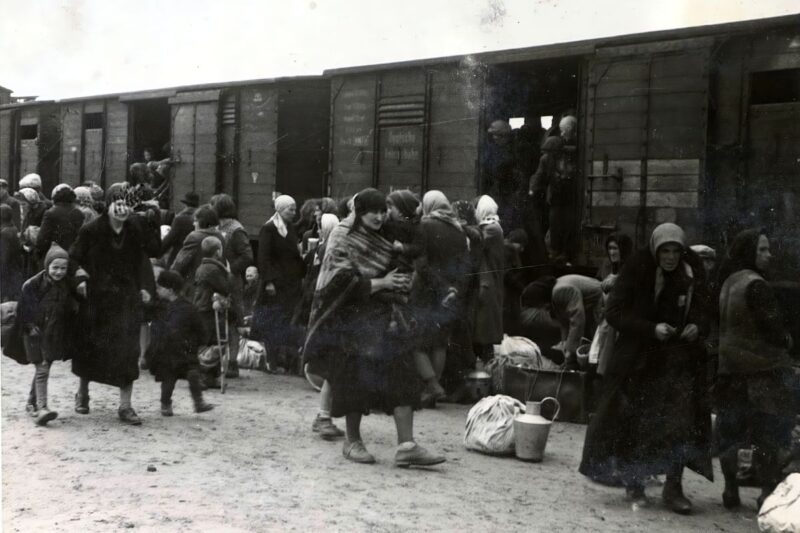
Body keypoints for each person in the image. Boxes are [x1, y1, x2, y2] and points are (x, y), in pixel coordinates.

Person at [304, 188, 445, 466]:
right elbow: (338, 281)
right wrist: (383, 283)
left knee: (403, 376)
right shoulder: (342, 236)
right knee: (355, 381)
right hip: (353, 322)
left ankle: (407, 445)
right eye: (373, 212)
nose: (380, 217)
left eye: (383, 211)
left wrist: (404, 280)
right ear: (359, 212)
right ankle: (352, 442)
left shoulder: (387, 234)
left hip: (386, 317)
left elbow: (407, 258)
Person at [579, 222, 713, 514]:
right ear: (655, 249)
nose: (670, 257)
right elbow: (614, 313)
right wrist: (651, 329)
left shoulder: (692, 271)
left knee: (681, 422)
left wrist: (696, 326)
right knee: (637, 422)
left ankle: (673, 489)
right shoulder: (637, 268)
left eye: (676, 251)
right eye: (665, 251)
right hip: (640, 360)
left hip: (678, 360)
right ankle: (635, 482)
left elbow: (706, 310)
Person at [715, 229, 796, 510]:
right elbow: (774, 331)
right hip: (760, 373)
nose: (769, 254)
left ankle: (730, 489)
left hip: (729, 370)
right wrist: (787, 340)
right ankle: (765, 493)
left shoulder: (728, 282)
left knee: (732, 433)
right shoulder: (757, 285)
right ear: (750, 252)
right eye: (762, 249)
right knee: (768, 434)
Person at [69, 183, 160, 425]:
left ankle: (125, 406)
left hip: (125, 299)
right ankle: (83, 394)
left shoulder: (134, 230)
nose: (122, 208)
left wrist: (145, 287)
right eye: (117, 203)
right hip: (96, 298)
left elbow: (145, 258)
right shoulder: (91, 230)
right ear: (108, 205)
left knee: (128, 350)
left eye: (126, 204)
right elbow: (73, 258)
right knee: (90, 347)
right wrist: (79, 278)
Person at [412, 191, 469, 405]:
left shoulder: (424, 226)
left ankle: (432, 385)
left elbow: (421, 264)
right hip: (450, 296)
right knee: (439, 343)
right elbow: (465, 266)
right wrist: (454, 290)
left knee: (415, 340)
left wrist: (440, 287)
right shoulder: (458, 229)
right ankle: (431, 394)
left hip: (426, 292)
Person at [15, 244, 81, 426]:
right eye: (55, 268)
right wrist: (29, 327)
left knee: (44, 367)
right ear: (47, 266)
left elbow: (72, 304)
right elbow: (23, 310)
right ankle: (42, 408)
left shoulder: (66, 285)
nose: (59, 272)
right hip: (35, 332)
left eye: (63, 268)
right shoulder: (33, 285)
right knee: (42, 368)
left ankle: (31, 403)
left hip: (53, 333)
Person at [146, 270, 214, 416]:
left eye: (159, 288)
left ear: (170, 290)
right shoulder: (158, 305)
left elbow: (201, 329)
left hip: (185, 351)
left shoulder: (188, 308)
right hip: (166, 353)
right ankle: (165, 403)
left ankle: (198, 402)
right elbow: (146, 313)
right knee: (168, 381)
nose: (156, 290)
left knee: (193, 373)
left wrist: (197, 344)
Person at [254, 195, 306, 373]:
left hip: (290, 283)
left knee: (285, 321)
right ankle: (272, 361)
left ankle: (282, 360)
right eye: (290, 209)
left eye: (294, 208)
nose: (294, 212)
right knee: (273, 322)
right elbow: (263, 257)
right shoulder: (269, 229)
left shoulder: (289, 228)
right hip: (276, 285)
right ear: (280, 210)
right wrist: (268, 281)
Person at [522, 274, 602, 370]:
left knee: (598, 350)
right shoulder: (554, 300)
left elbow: (577, 320)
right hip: (592, 308)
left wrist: (570, 350)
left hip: (601, 304)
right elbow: (565, 324)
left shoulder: (560, 291)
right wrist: (565, 347)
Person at [528, 115, 579, 264]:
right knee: (556, 224)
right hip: (556, 198)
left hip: (569, 198)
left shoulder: (573, 151)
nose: (562, 134)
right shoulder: (549, 155)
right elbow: (539, 175)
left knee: (568, 226)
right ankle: (555, 253)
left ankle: (564, 253)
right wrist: (532, 190)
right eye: (561, 131)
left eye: (565, 131)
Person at [193, 236, 234, 388]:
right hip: (209, 309)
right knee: (214, 342)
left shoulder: (202, 267)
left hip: (202, 306)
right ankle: (205, 376)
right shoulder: (214, 269)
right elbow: (225, 287)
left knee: (209, 342)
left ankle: (209, 376)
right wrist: (229, 274)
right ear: (218, 252)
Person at [472, 195, 505, 362]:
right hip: (488, 283)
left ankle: (488, 376)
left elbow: (477, 242)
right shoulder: (491, 226)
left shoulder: (492, 228)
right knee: (483, 335)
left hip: (488, 284)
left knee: (484, 335)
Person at [171, 205, 224, 291]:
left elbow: (180, 263)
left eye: (196, 220)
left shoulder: (194, 237)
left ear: (202, 221)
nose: (193, 223)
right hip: (215, 286)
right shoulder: (220, 236)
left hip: (195, 287)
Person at [35, 184, 85, 260]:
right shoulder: (79, 213)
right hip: (73, 255)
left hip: (54, 255)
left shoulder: (50, 213)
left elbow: (42, 238)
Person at [162, 192, 199, 266]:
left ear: (185, 204)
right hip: (197, 257)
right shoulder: (201, 217)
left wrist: (158, 252)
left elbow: (170, 239)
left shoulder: (180, 219)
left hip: (180, 255)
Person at [1, 204, 25, 302]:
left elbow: (4, 257)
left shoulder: (4, 233)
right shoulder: (13, 228)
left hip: (6, 271)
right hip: (14, 268)